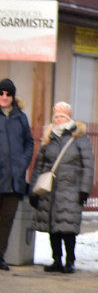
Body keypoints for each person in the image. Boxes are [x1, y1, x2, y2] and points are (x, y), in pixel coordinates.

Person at [28, 102, 94, 274]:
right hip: (50, 190)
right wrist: (34, 190)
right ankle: (56, 259)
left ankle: (70, 260)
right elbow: (39, 166)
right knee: (53, 227)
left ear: (69, 118)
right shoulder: (49, 138)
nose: (59, 119)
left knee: (68, 228)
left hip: (71, 190)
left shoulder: (79, 138)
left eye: (62, 117)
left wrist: (84, 190)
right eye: (56, 116)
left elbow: (88, 166)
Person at [0, 78, 34, 270]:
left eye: (8, 94)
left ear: (13, 96)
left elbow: (29, 142)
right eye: (1, 93)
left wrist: (22, 163)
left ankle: (0, 256)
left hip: (14, 180)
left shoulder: (20, 117)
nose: (4, 97)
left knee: (7, 220)